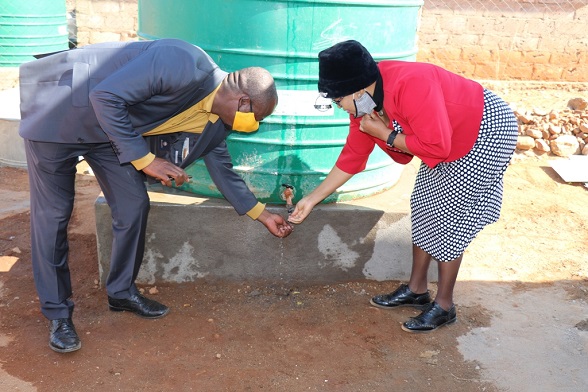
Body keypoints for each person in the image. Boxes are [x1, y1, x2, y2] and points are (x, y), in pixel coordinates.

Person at [19, 38, 293, 353]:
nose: (254, 125)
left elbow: (223, 170)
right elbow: (104, 95)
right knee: (53, 215)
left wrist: (264, 214)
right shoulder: (181, 62)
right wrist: (147, 161)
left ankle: (120, 292)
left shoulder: (217, 121)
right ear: (242, 100)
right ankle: (58, 314)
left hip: (108, 133)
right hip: (61, 114)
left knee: (133, 204)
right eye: (256, 116)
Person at [288, 40, 517, 333]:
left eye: (337, 101)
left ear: (357, 91)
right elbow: (353, 157)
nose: (339, 107)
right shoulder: (363, 107)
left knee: (450, 216)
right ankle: (417, 289)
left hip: (485, 130)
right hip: (446, 137)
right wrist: (312, 199)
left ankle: (445, 305)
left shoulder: (410, 85)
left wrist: (385, 133)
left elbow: (436, 145)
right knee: (423, 205)